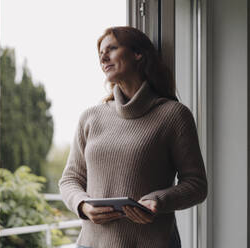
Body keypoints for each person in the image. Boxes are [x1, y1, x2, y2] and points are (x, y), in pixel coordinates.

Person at [58, 26, 207, 248]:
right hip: (91, 244)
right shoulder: (90, 117)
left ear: (138, 54)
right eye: (100, 54)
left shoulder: (174, 115)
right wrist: (83, 206)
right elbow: (70, 180)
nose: (103, 57)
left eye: (112, 49)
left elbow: (197, 185)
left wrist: (158, 201)